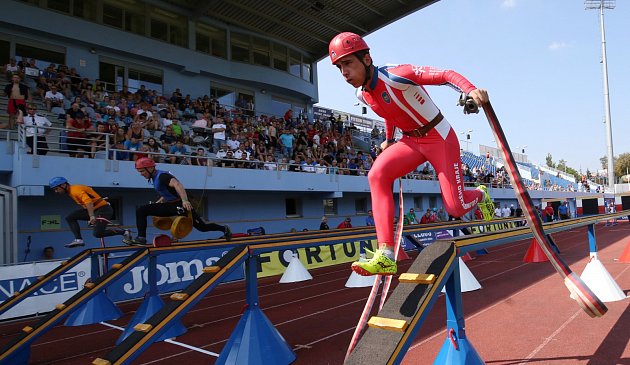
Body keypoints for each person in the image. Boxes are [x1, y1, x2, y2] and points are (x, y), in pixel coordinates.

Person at [328, 32, 494, 275]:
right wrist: (388, 140)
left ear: (366, 58)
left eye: (348, 63)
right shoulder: (362, 94)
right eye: (339, 67)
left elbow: (446, 75)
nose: (344, 72)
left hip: (440, 138)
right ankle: (385, 254)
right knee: (377, 175)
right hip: (411, 141)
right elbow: (389, 113)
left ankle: (480, 193)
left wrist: (470, 90)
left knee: (455, 208)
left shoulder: (396, 75)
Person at [124, 158, 232, 245]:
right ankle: (141, 238)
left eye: (142, 171)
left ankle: (224, 229)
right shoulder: (154, 178)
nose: (141, 174)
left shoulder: (162, 176)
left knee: (202, 228)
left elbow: (177, 185)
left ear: (150, 168)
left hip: (180, 204)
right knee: (141, 210)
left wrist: (185, 200)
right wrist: (159, 201)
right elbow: (166, 192)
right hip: (170, 205)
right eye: (140, 172)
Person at [49, 177, 129, 248]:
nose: (56, 191)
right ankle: (78, 240)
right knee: (70, 218)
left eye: (56, 189)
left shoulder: (75, 190)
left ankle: (124, 232)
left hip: (103, 210)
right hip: (95, 209)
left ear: (63, 185)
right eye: (54, 190)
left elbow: (89, 202)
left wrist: (91, 216)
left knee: (97, 234)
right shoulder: (72, 190)